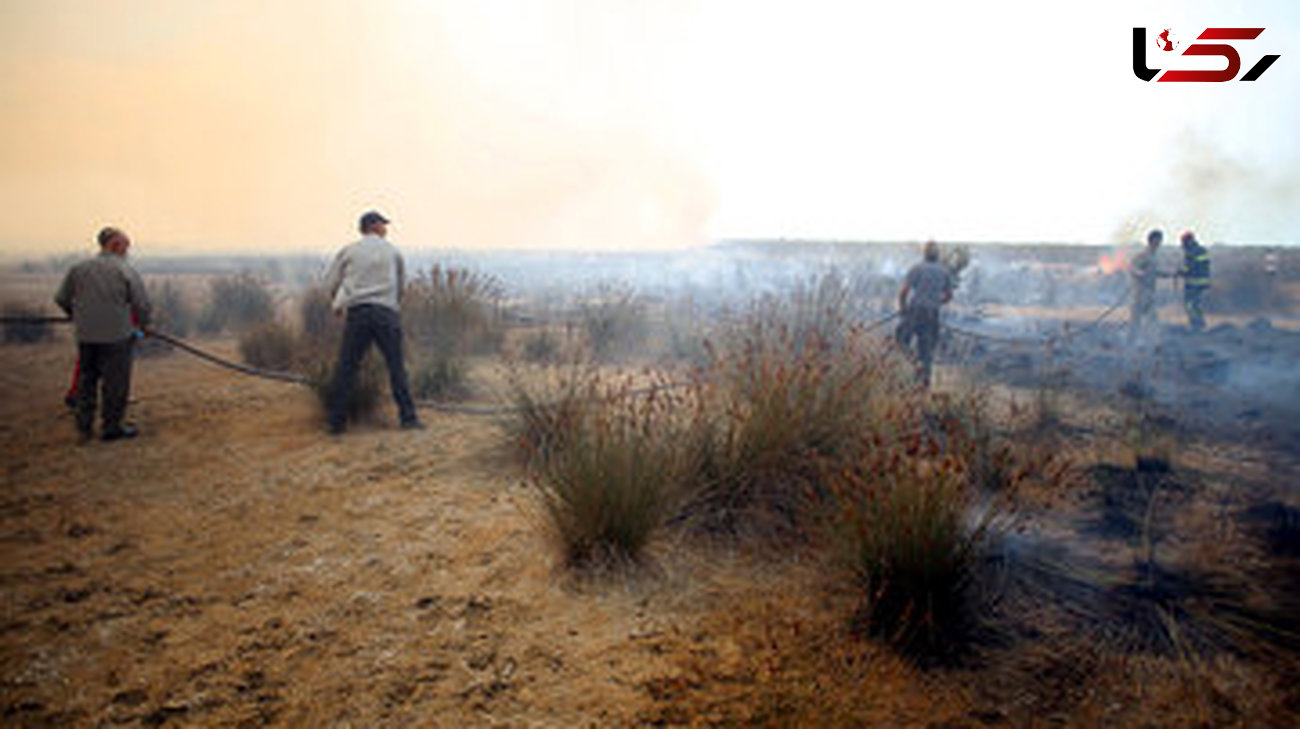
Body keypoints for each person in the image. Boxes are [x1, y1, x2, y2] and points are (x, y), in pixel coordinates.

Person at [324, 211, 423, 434]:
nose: (386, 228)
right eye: (383, 224)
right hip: (386, 313)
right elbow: (401, 286)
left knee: (347, 368)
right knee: (396, 367)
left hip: (358, 314)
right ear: (374, 226)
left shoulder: (349, 251)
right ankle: (408, 418)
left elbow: (331, 282)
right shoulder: (393, 252)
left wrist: (338, 304)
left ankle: (336, 423)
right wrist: (392, 307)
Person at [54, 227, 152, 441]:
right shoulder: (125, 270)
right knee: (115, 384)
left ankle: (84, 428)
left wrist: (76, 315)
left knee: (86, 380)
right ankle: (111, 428)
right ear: (114, 245)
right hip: (117, 336)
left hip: (86, 336)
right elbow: (141, 304)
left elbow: (61, 298)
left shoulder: (78, 268)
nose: (128, 250)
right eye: (126, 245)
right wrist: (144, 325)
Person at [895, 240, 954, 386]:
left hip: (915, 312)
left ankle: (914, 363)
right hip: (932, 315)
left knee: (900, 339)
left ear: (925, 254)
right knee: (926, 351)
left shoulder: (917, 268)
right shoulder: (944, 271)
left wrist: (903, 309)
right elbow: (949, 296)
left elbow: (904, 292)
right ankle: (923, 384)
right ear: (937, 255)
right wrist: (936, 302)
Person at [1128, 229, 1164, 343]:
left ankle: (1153, 343)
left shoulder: (1154, 257)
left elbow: (1157, 272)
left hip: (1150, 294)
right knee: (1136, 320)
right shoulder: (1143, 255)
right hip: (1140, 294)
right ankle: (1132, 342)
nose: (1159, 243)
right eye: (1158, 240)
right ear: (1152, 241)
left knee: (1152, 319)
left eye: (1160, 240)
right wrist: (1139, 273)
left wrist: (1172, 273)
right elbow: (1132, 267)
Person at [1178, 231, 1211, 332]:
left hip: (1193, 283)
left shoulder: (1191, 252)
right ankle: (1200, 323)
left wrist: (1182, 272)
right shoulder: (1202, 250)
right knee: (1196, 304)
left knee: (1190, 304)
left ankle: (1196, 325)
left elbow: (1191, 268)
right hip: (1203, 282)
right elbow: (1204, 266)